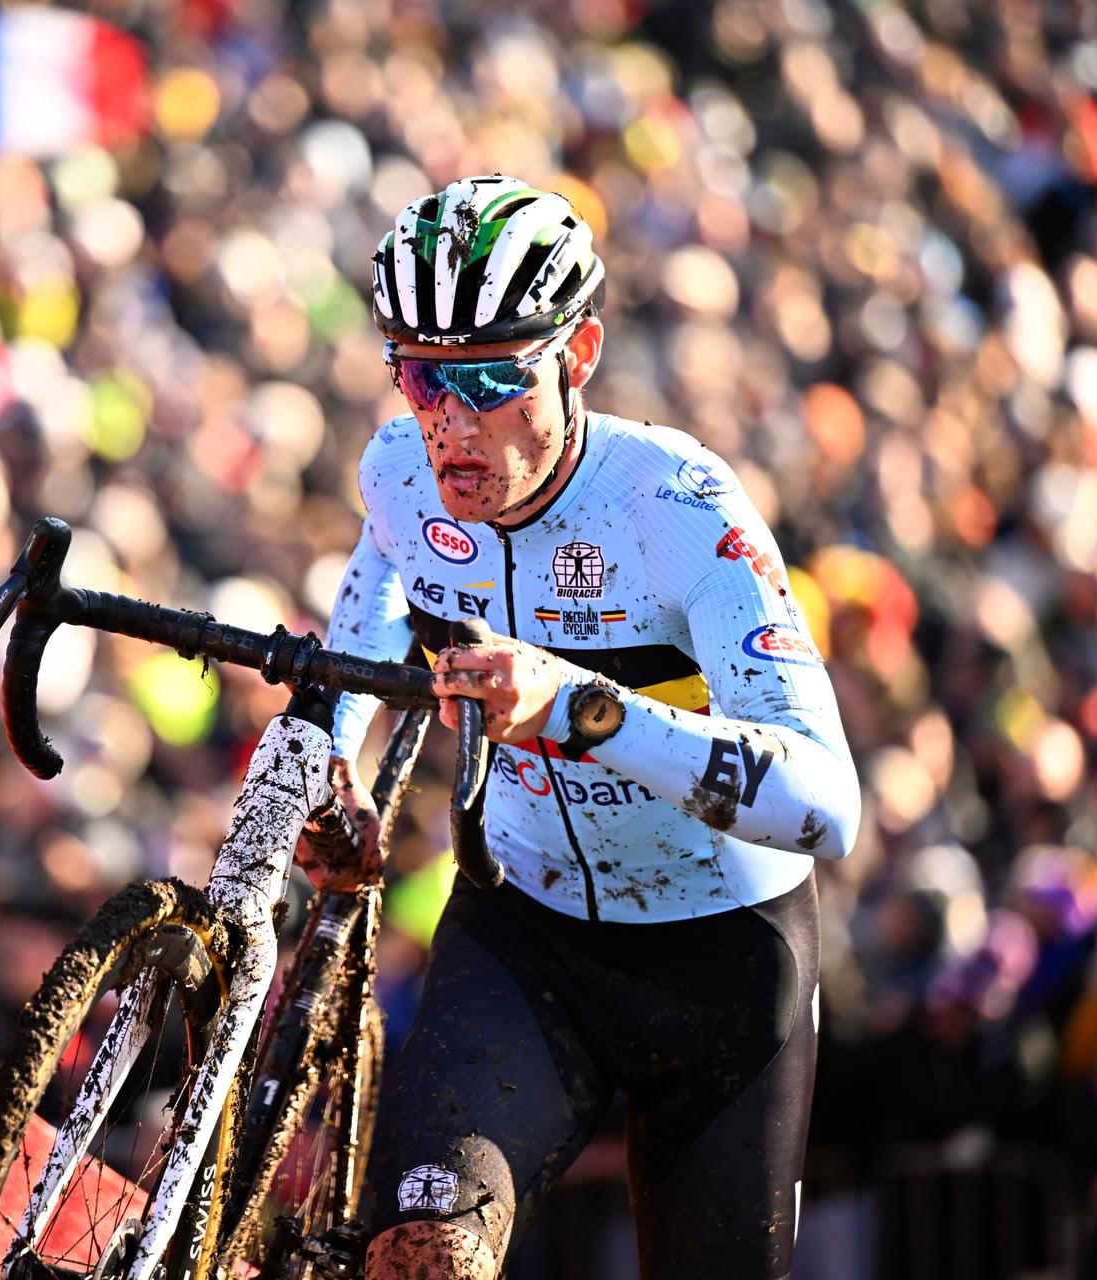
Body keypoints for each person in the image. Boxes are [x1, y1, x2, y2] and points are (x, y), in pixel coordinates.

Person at [297, 175, 863, 1279]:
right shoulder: (399, 471)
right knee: (417, 1258)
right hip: (523, 930)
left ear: (581, 352)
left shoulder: (681, 506)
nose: (450, 419)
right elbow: (359, 637)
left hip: (724, 961)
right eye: (420, 375)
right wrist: (332, 765)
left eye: (493, 375)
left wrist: (579, 707)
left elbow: (828, 806)